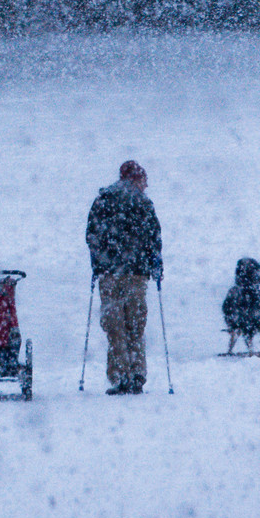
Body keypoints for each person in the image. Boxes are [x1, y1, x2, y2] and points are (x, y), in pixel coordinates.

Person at [86, 160, 163, 394]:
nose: (146, 186)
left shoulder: (103, 201)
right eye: (144, 180)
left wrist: (98, 263)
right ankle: (137, 373)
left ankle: (120, 375)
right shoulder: (143, 203)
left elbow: (92, 235)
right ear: (135, 179)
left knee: (115, 326)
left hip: (110, 273)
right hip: (137, 273)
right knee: (136, 324)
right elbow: (154, 238)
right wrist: (156, 264)